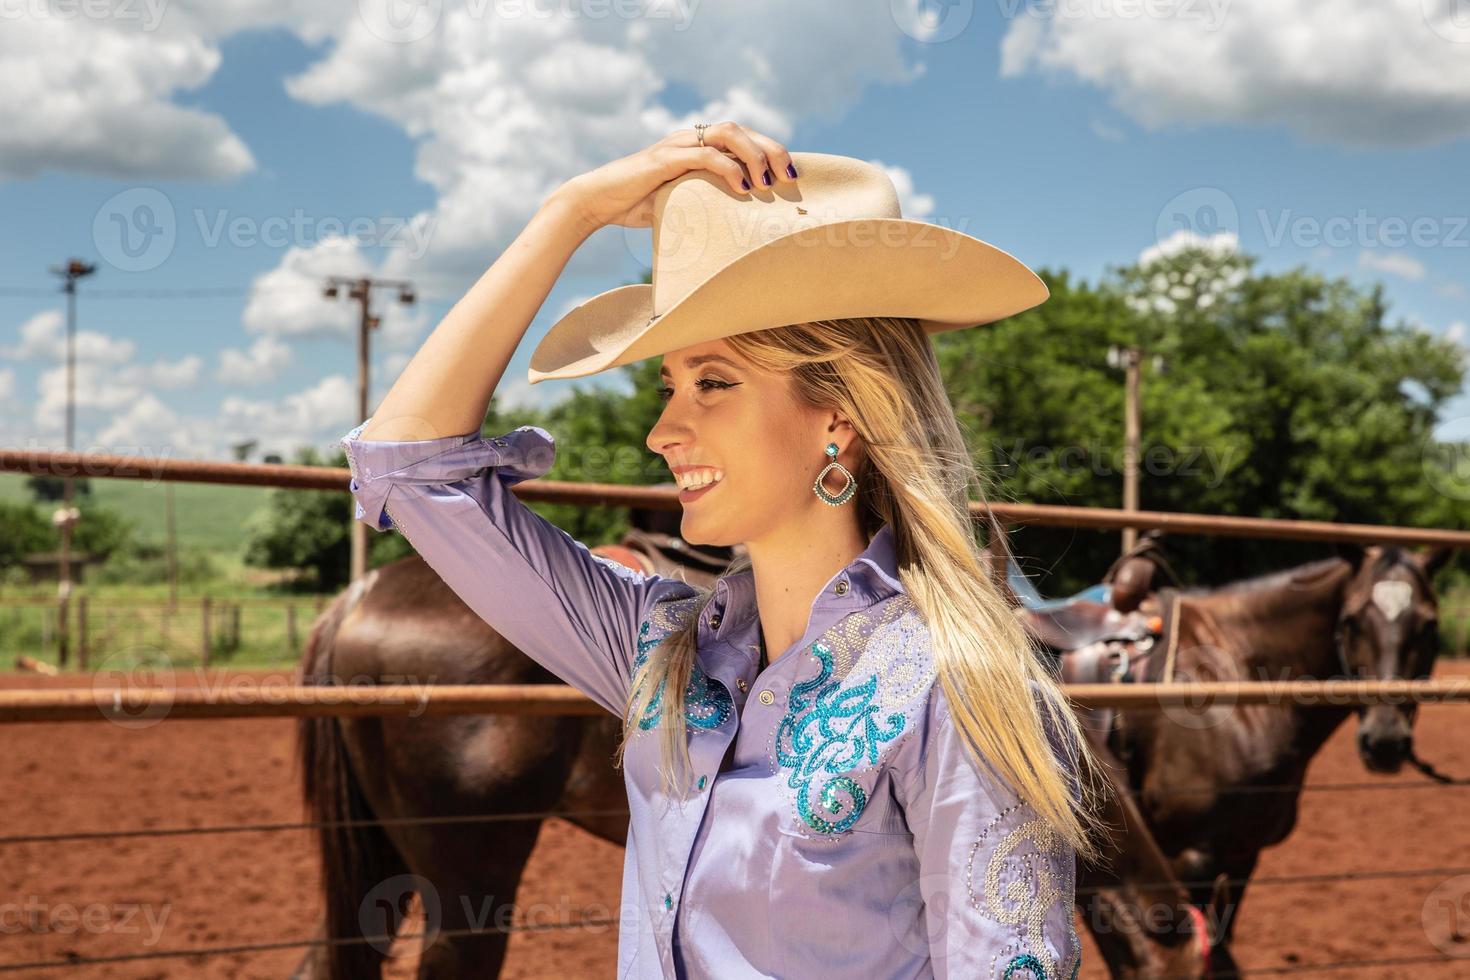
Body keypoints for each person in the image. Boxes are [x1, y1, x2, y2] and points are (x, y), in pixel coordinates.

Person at [340, 122, 1111, 979]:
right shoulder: (661, 649)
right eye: (671, 386)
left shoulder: (956, 686)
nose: (663, 430)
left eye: (713, 383)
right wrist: (569, 212)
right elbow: (407, 471)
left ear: (840, 418)